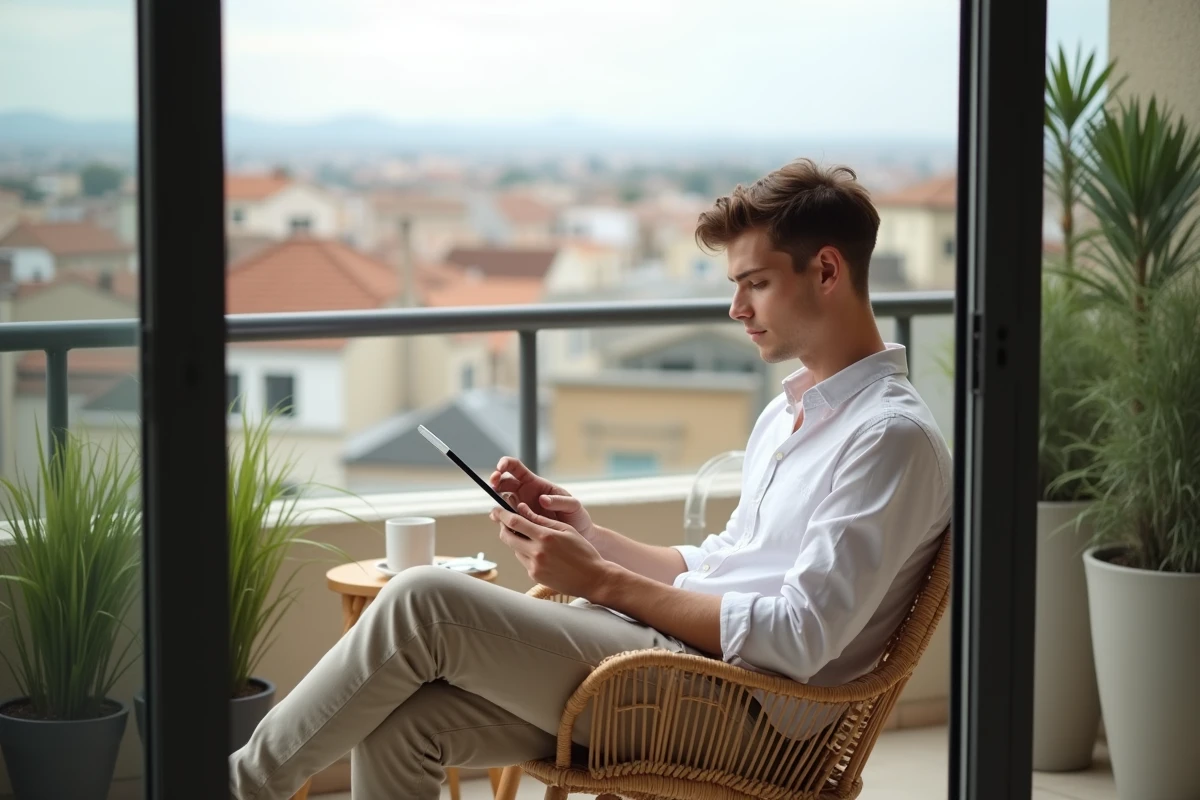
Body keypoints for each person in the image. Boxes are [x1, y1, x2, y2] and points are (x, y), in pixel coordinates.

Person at [229, 158, 952, 800]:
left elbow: (799, 638)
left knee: (423, 601)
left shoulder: (889, 439)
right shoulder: (791, 411)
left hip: (750, 715)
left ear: (826, 271)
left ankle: (231, 788)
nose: (737, 310)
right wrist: (590, 537)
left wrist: (601, 582)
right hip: (682, 670)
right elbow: (720, 565)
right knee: (402, 726)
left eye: (755, 284)